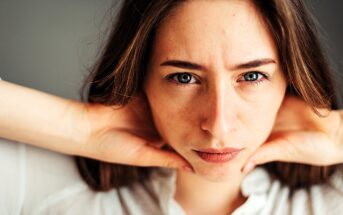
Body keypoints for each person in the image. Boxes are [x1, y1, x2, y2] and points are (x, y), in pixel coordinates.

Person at [0, 0, 343, 214]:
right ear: (141, 82)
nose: (218, 124)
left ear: (289, 81)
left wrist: (335, 132)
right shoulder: (56, 190)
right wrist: (82, 128)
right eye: (184, 78)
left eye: (252, 76)